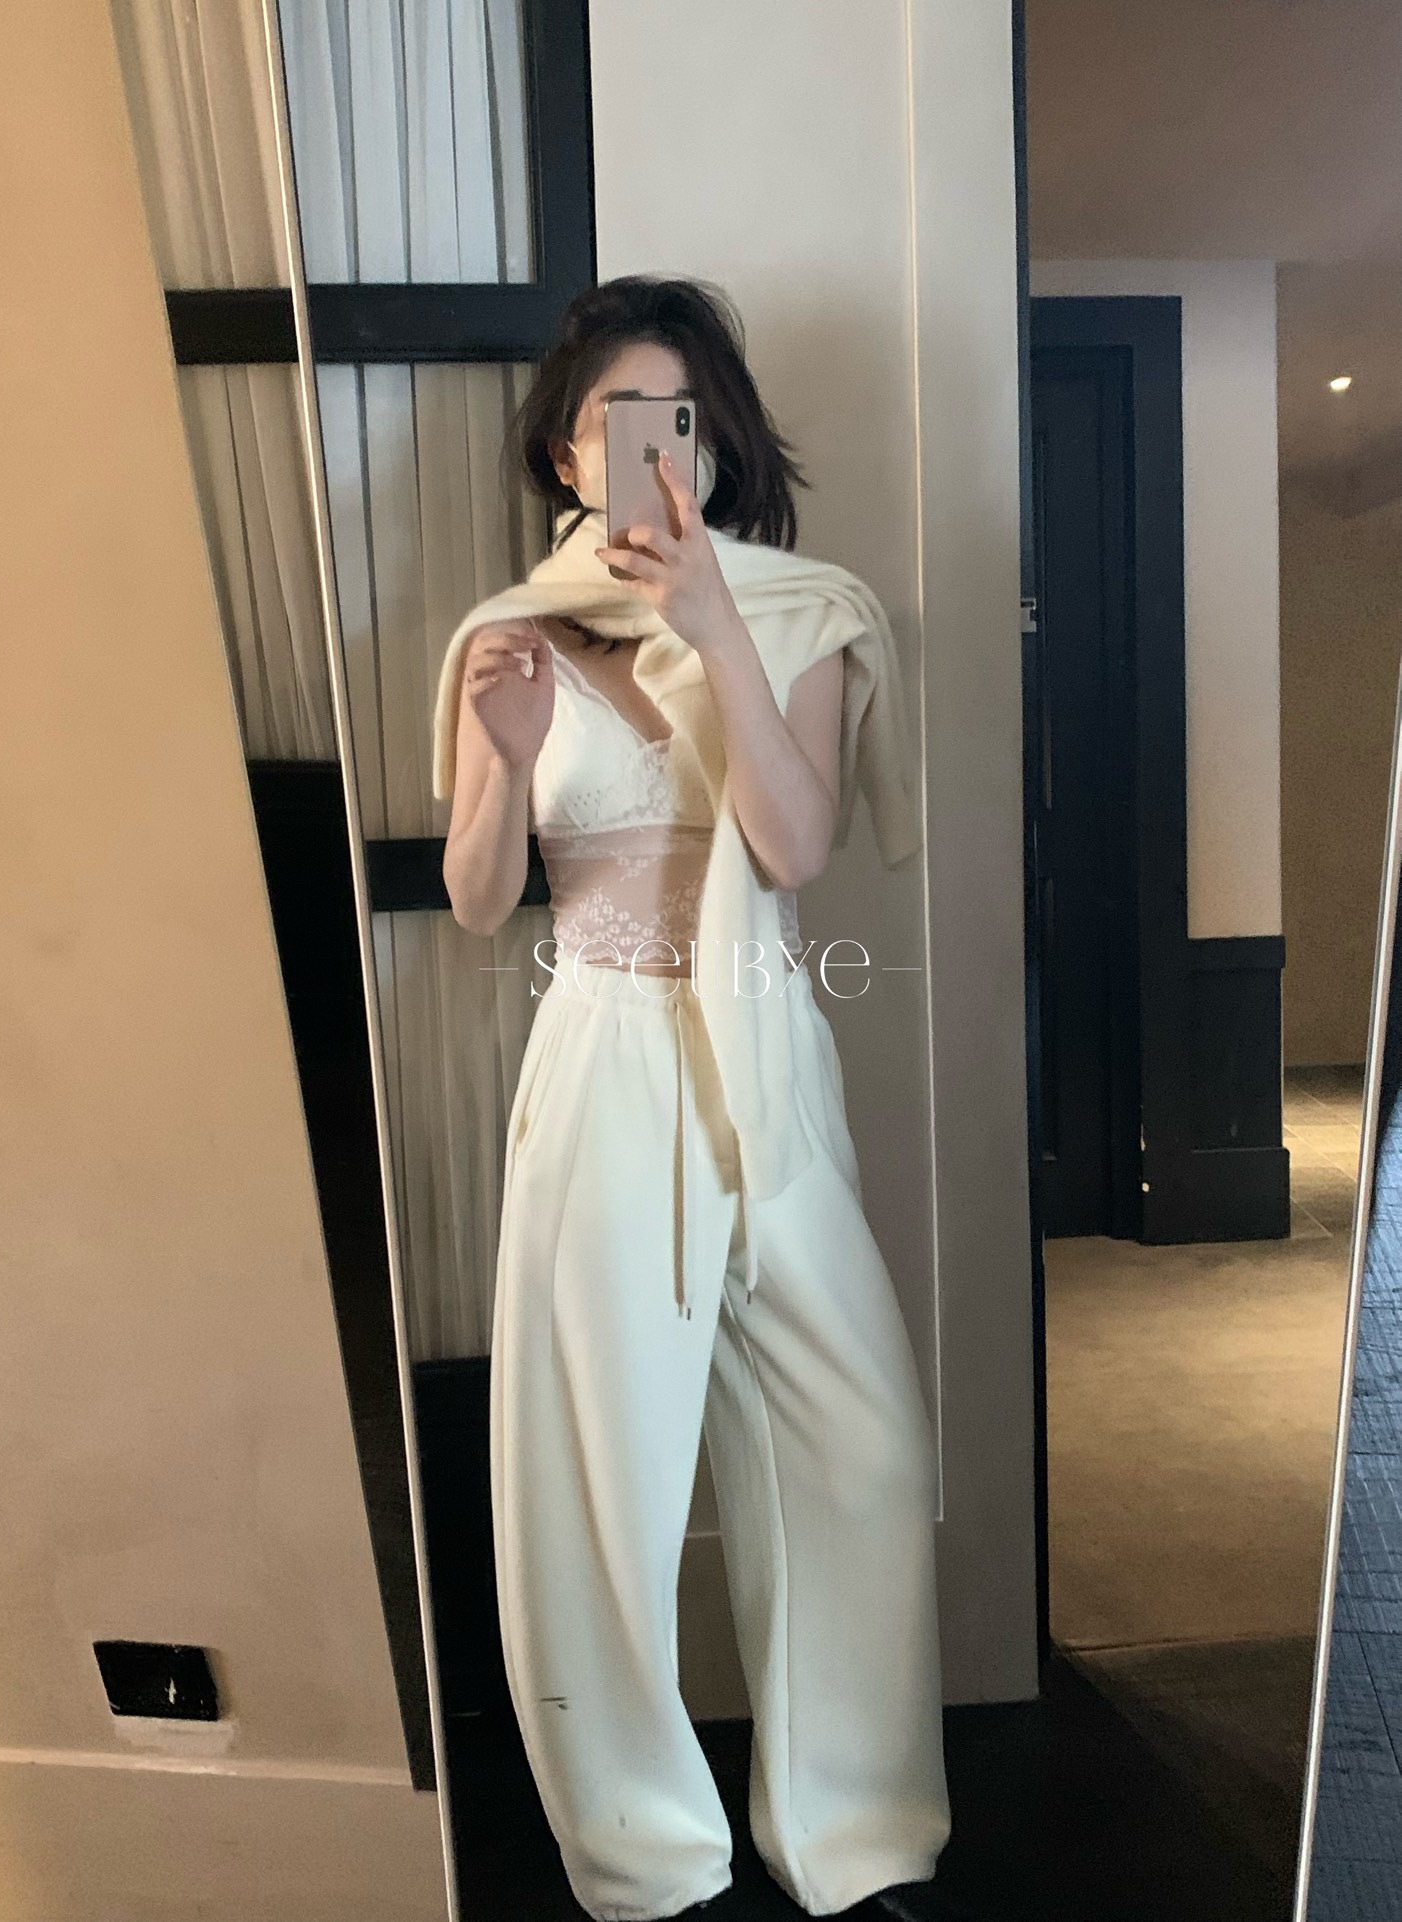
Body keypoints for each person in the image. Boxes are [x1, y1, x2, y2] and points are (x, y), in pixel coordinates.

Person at [432, 276, 950, 1921]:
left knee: (859, 1448)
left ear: (715, 446)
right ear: (564, 450)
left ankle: (853, 1828)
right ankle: (646, 1855)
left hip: (762, 1054)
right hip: (602, 1055)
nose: (652, 451)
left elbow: (791, 850)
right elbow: (475, 898)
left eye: (681, 421)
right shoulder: (508, 636)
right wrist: (503, 750)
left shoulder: (806, 617)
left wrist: (717, 622)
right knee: (603, 1474)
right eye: (616, 419)